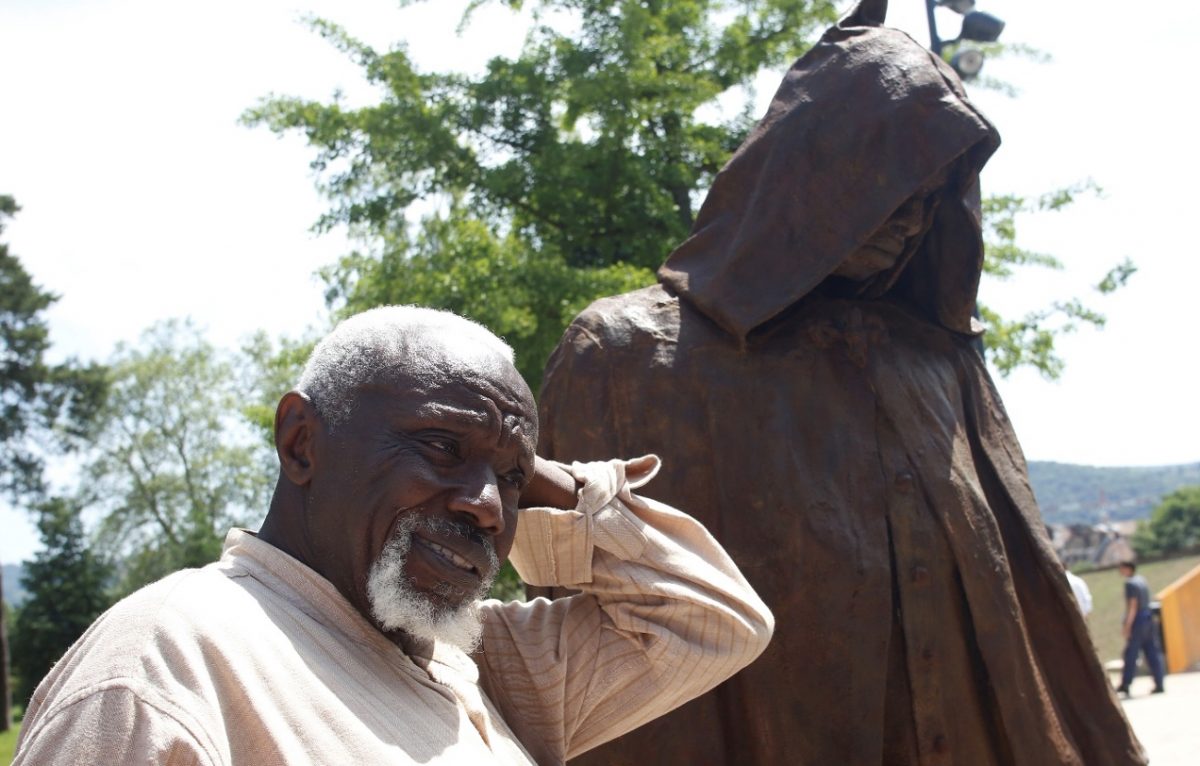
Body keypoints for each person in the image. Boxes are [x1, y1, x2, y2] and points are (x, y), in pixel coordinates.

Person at [534, 1, 1146, 763]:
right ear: (813, 160)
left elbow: (1035, 604)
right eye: (895, 182)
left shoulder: (944, 363)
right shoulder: (623, 355)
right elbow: (570, 632)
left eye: (931, 197)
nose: (912, 219)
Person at [13, 306, 773, 765]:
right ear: (302, 442)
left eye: (510, 482)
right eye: (441, 447)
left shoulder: (481, 666)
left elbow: (713, 623)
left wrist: (558, 487)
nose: (485, 506)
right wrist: (502, 461)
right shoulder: (170, 663)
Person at [1116, 561, 1166, 697]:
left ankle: (1126, 684)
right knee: (1152, 652)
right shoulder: (1141, 580)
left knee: (1131, 653)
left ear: (1127, 569)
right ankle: (1160, 683)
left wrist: (1127, 626)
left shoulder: (1130, 584)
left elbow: (1133, 605)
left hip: (1138, 620)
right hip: (1148, 618)